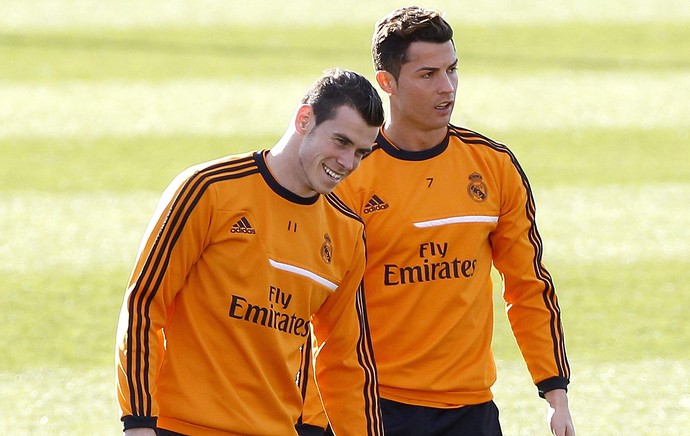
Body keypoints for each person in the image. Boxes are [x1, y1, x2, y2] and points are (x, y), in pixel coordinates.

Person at [300, 6, 575, 436]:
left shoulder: (494, 166)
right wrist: (312, 422)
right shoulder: (350, 177)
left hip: (472, 410)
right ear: (387, 82)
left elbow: (527, 285)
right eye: (428, 74)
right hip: (377, 405)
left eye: (452, 70)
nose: (447, 87)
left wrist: (554, 393)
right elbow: (315, 306)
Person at [115, 68, 386, 435]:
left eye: (361, 152)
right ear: (304, 119)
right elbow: (145, 303)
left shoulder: (347, 233)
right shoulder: (208, 191)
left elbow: (346, 358)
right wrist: (139, 421)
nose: (348, 163)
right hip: (181, 428)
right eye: (341, 142)